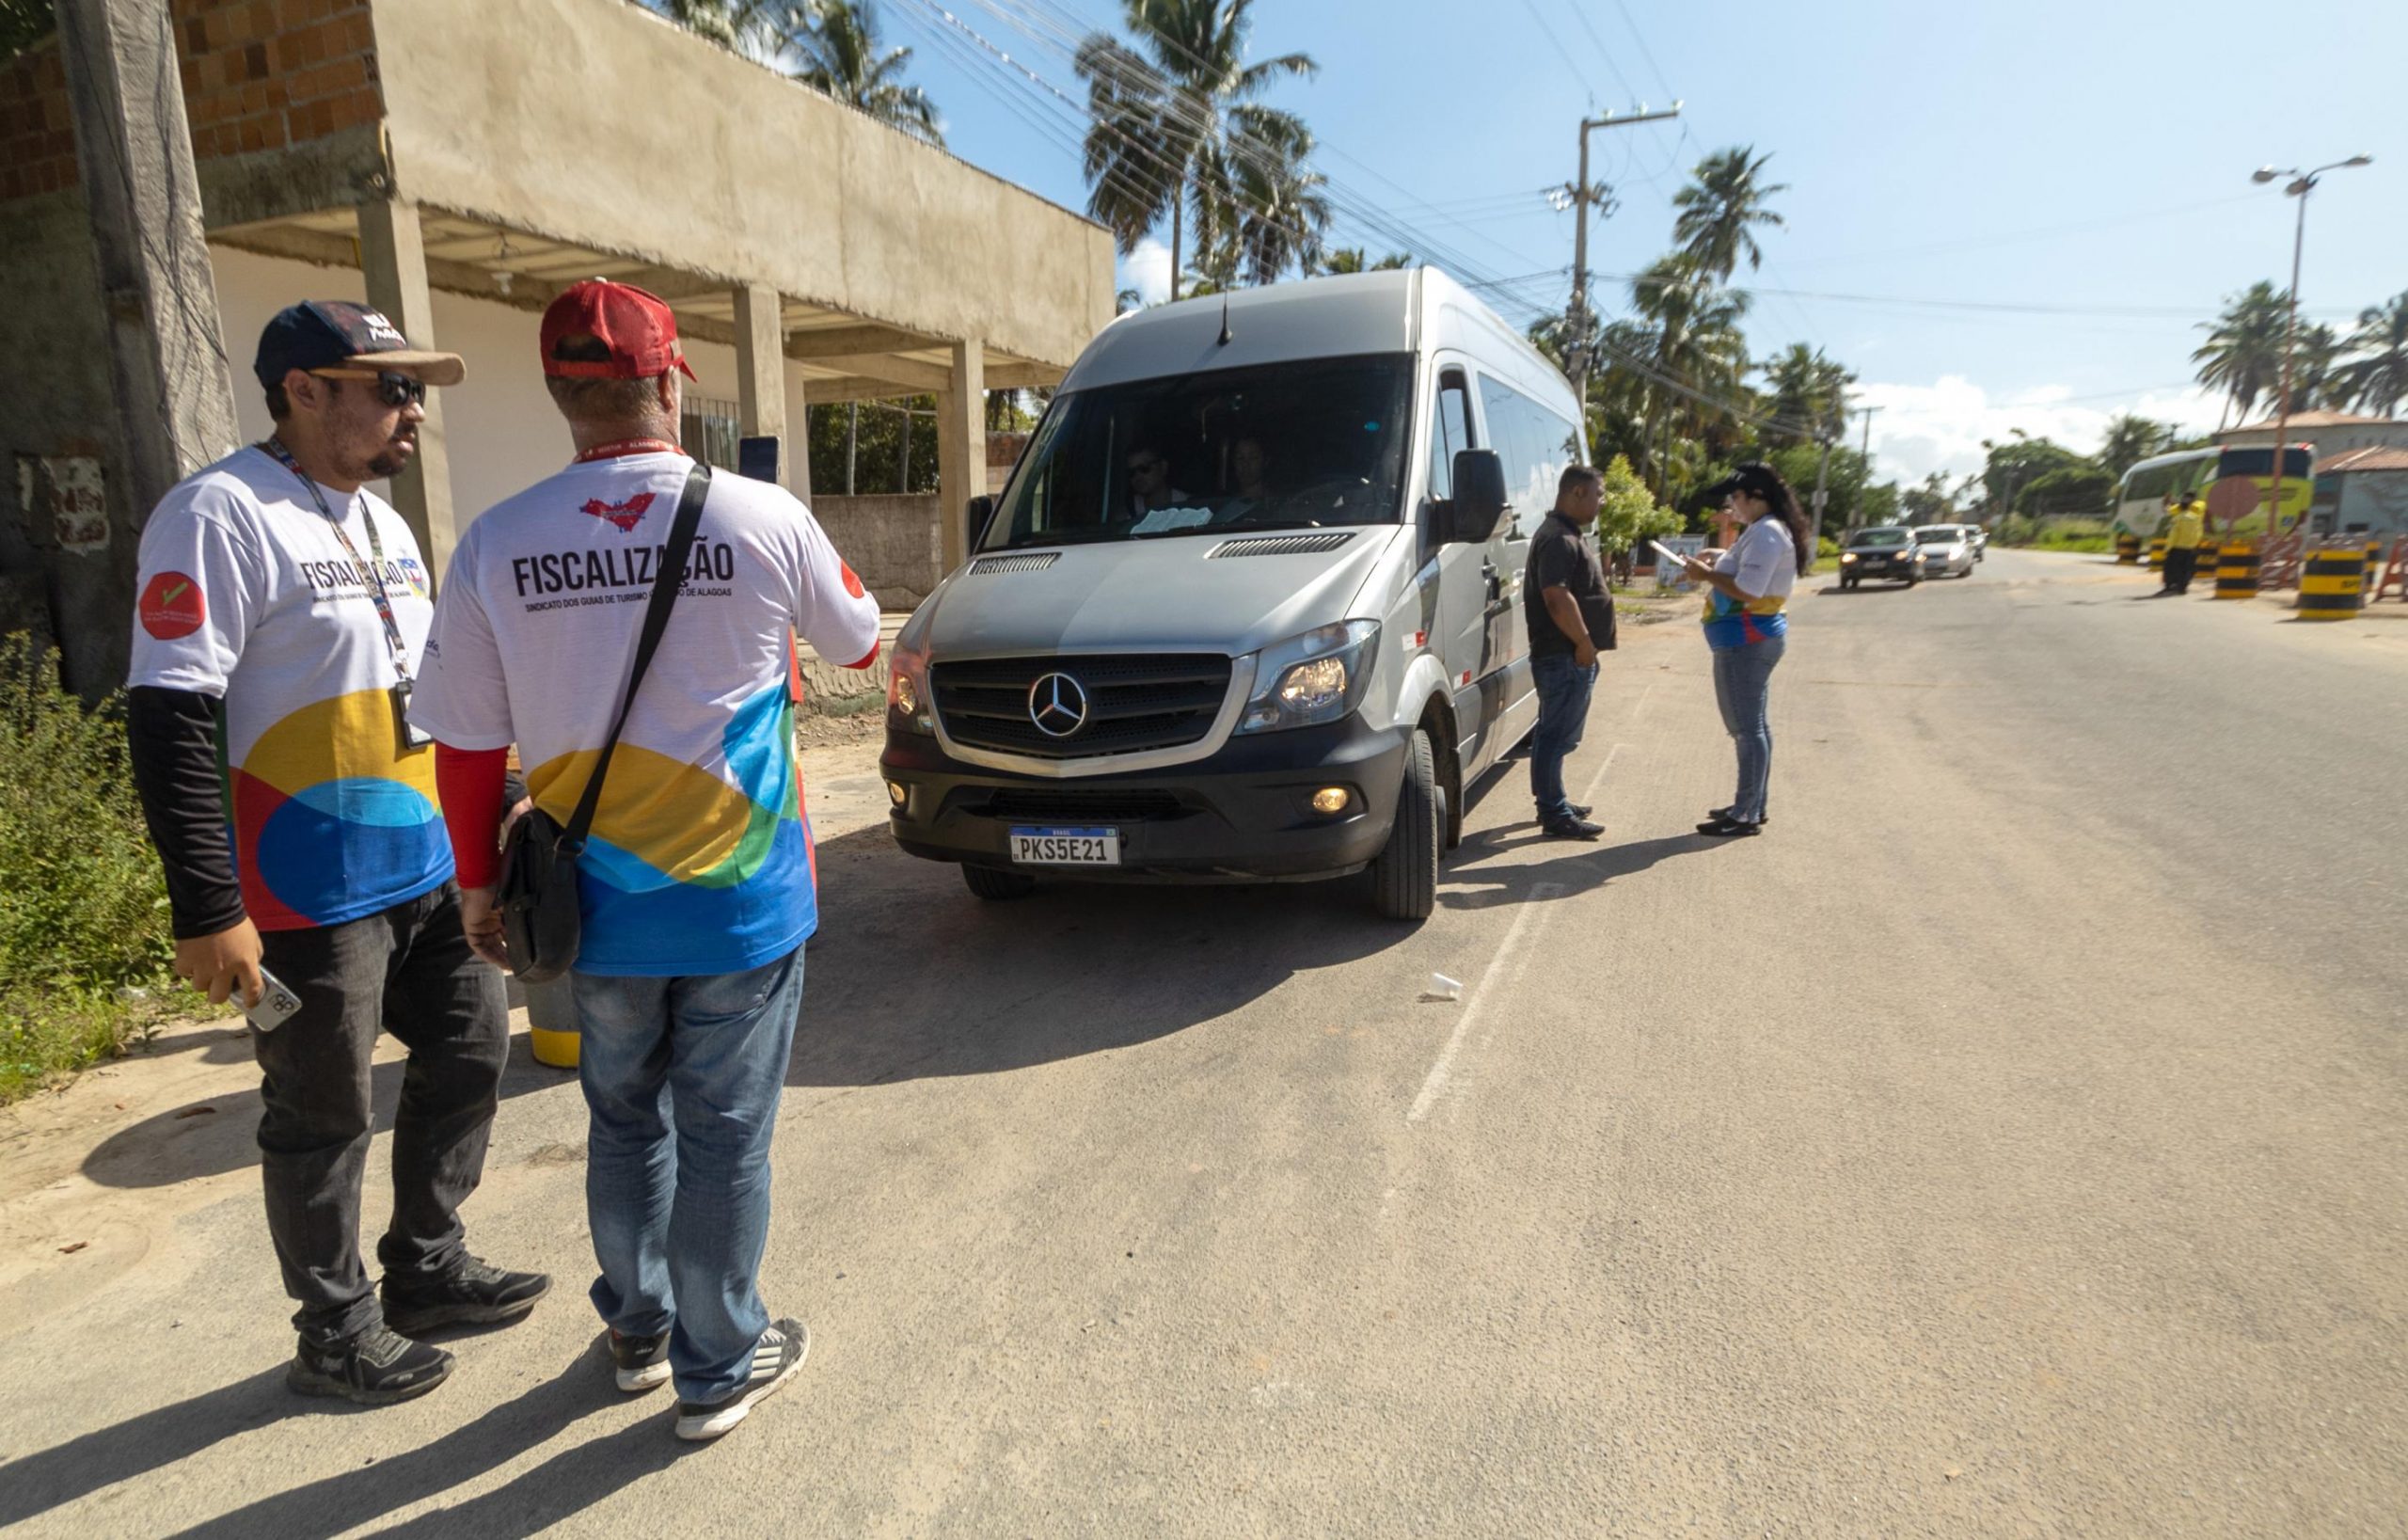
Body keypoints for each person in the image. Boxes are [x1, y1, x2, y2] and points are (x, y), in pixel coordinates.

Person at [409, 280, 883, 1443]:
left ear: (561, 393)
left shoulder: (495, 540)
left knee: (623, 1119)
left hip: (589, 907)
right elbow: (862, 641)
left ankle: (637, 1328)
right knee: (723, 1132)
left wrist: (477, 883)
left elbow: (465, 741)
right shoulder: (763, 515)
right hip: (740, 902)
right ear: (670, 383)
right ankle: (718, 1365)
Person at [123, 301, 547, 1407]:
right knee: (322, 1113)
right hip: (303, 890)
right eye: (390, 387)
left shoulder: (384, 524)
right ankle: (334, 1327)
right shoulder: (216, 514)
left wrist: (494, 810)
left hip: (421, 869)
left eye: (415, 390)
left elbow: (432, 689)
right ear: (303, 389)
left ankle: (427, 1267)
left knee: (467, 1059)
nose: (414, 410)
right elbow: (169, 716)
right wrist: (207, 905)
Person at [1685, 462, 1808, 837]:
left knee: (1745, 728)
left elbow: (1749, 590)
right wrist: (1716, 558)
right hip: (1747, 639)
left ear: (1757, 497)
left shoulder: (1768, 534)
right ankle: (1752, 804)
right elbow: (1743, 572)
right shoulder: (1762, 530)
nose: (1732, 504)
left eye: (1736, 497)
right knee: (1754, 726)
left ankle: (1746, 813)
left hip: (1747, 641)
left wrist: (1706, 576)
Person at [1523, 465, 1610, 840]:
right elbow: (1556, 597)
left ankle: (1553, 799)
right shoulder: (1558, 538)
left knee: (1552, 734)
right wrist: (1583, 642)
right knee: (1555, 736)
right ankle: (1554, 813)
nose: (1601, 502)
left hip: (1566, 654)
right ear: (1576, 492)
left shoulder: (1564, 533)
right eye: (1598, 494)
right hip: (1564, 654)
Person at [1121, 443, 1191, 519]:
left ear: (1163, 467)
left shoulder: (1189, 506)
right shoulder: (1128, 510)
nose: (1138, 476)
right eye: (1131, 472)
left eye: (1144, 468)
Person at [2161, 491, 2206, 595]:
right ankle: (2177, 586)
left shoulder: (2198, 506)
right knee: (2182, 567)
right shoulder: (2184, 512)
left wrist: (2167, 548)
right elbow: (2168, 511)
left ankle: (2177, 586)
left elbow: (2195, 508)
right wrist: (2168, 503)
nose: (2185, 500)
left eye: (2187, 498)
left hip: (2183, 545)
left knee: (2180, 567)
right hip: (2188, 543)